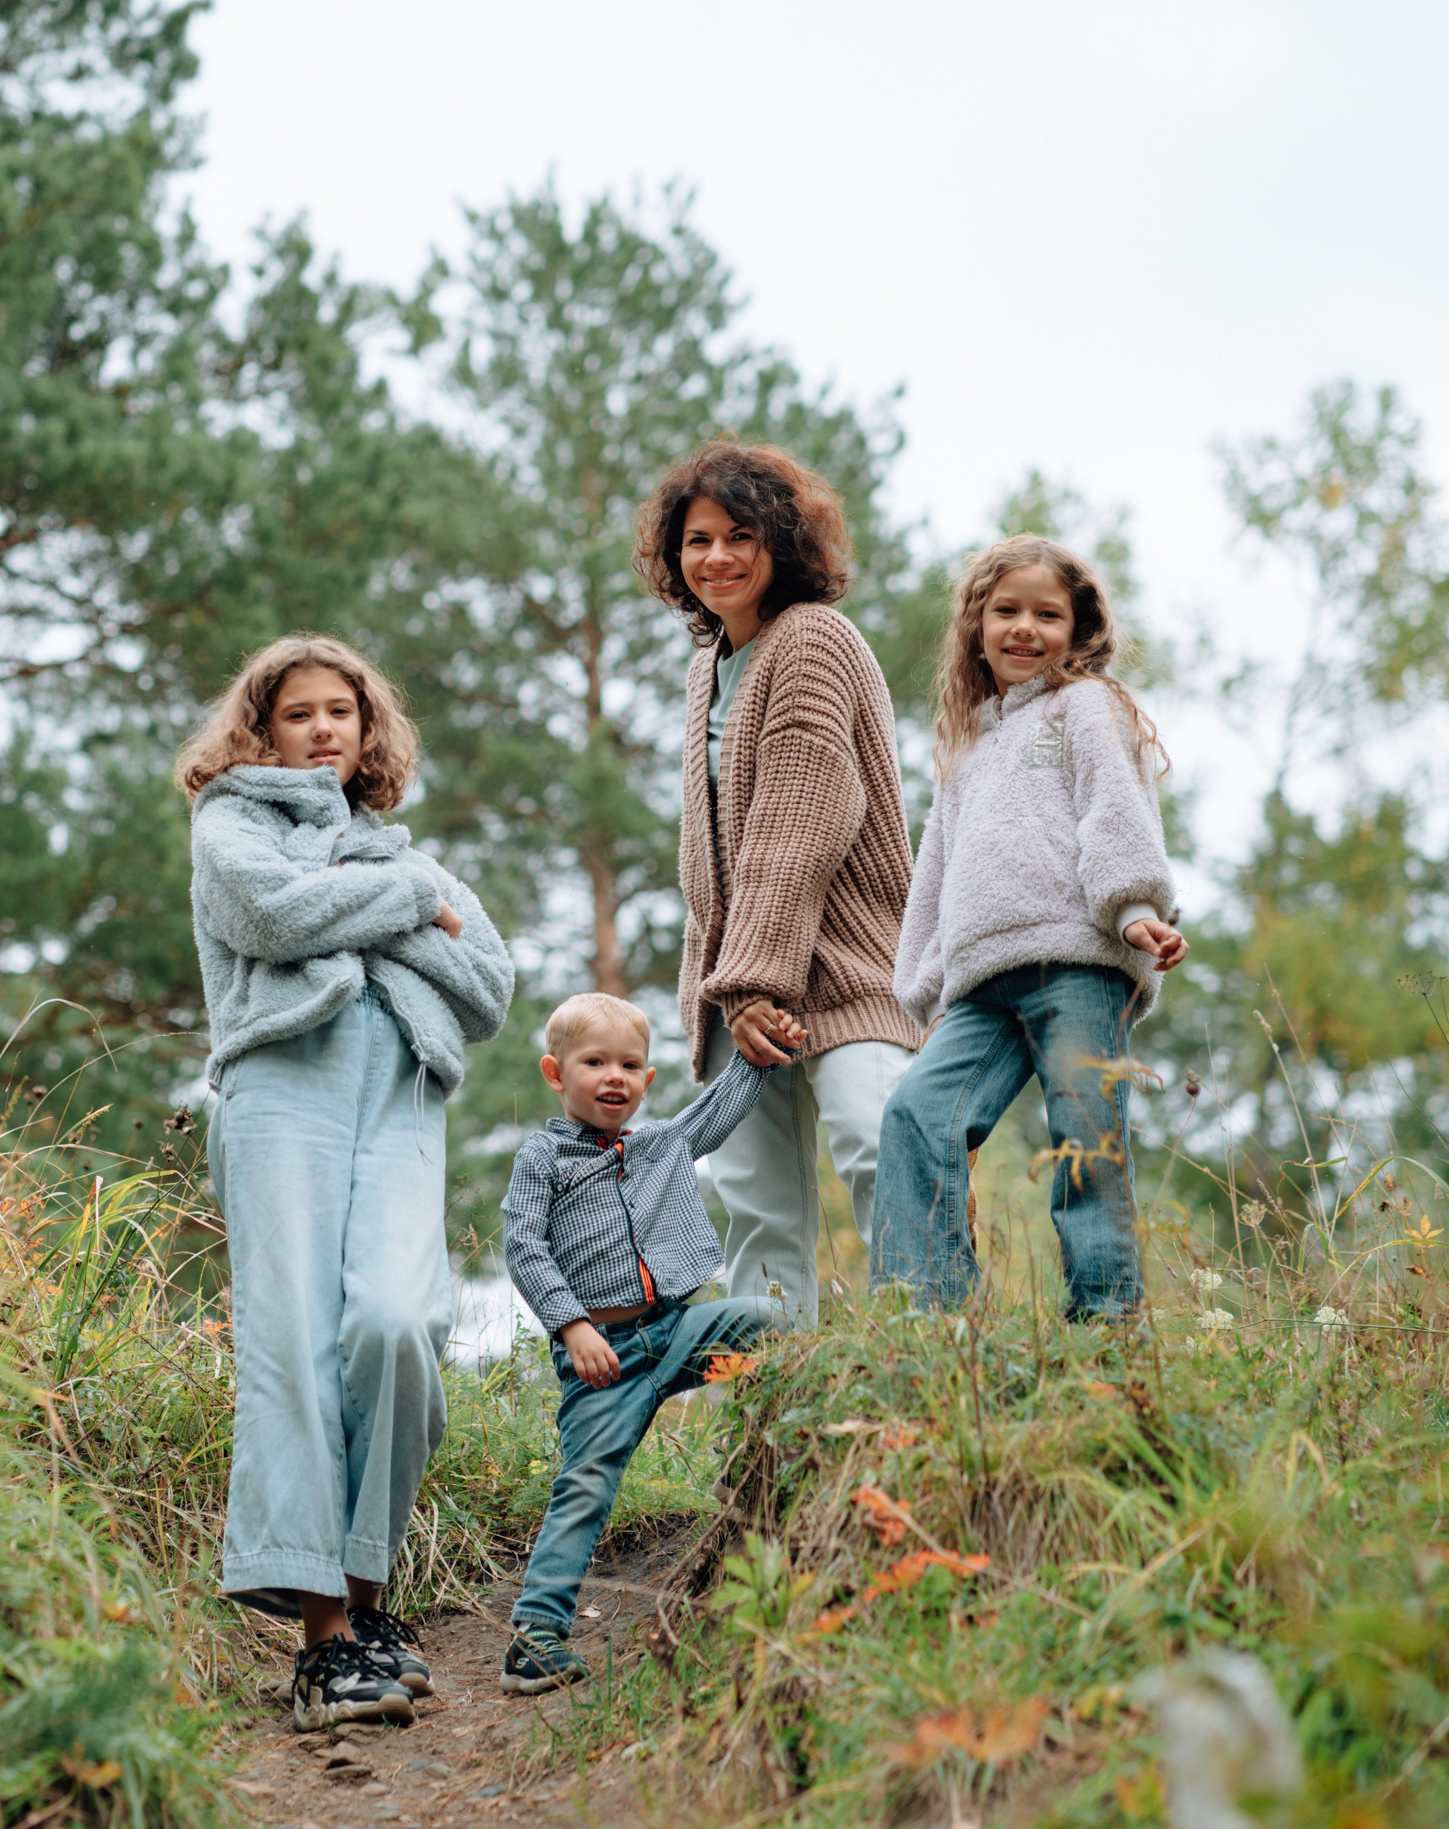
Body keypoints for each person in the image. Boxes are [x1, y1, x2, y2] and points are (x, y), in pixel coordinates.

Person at [175, 635, 515, 1728]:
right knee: (294, 1346)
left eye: (341, 712)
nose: (323, 728)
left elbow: (491, 981)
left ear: (369, 730)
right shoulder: (229, 824)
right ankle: (324, 1640)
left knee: (400, 1320)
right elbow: (268, 918)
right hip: (284, 1090)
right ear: (261, 730)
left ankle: (367, 1600)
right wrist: (413, 902)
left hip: (402, 1096)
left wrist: (373, 888)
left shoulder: (397, 847)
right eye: (298, 713)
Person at [635, 440, 924, 1321]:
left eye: (740, 535)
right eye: (697, 540)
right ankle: (771, 1416)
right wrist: (732, 992)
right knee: (757, 1211)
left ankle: (940, 1374)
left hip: (844, 968)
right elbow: (712, 852)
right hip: (737, 991)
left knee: (880, 1152)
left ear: (783, 543)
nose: (716, 557)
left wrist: (755, 979)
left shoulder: (811, 640)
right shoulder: (709, 667)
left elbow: (802, 817)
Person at [870, 536, 1186, 1318]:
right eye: (1006, 610)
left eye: (1048, 614)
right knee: (915, 1114)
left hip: (1078, 962)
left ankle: (1108, 1327)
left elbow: (1115, 810)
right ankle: (929, 1319)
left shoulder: (1085, 706)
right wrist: (929, 989)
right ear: (977, 624)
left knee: (1085, 1148)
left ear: (1077, 631)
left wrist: (1137, 911)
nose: (1024, 628)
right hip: (981, 987)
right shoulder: (968, 741)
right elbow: (938, 873)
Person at [495, 991, 800, 1694]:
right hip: (602, 1359)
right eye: (594, 1061)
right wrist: (571, 1325)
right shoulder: (543, 1156)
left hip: (676, 1329)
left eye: (630, 1064)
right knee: (587, 1483)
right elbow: (524, 1247)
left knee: (773, 1320)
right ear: (555, 1071)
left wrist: (758, 1054)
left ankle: (769, 1456)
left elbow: (715, 1113)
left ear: (647, 1079)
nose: (614, 1076)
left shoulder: (658, 1145)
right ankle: (535, 1636)